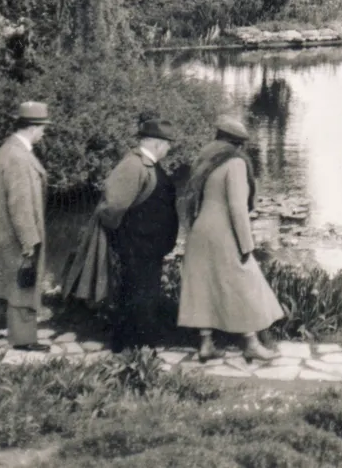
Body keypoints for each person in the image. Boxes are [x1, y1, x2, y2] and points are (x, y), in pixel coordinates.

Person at [178, 117, 283, 363]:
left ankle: (206, 344)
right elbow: (237, 207)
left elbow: (189, 200)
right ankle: (252, 344)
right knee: (244, 283)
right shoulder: (235, 163)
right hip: (223, 232)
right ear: (238, 144)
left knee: (204, 285)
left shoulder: (204, 161)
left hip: (200, 231)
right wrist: (246, 244)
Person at [0, 101, 51, 350]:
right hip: (15, 233)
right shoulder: (18, 156)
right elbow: (20, 203)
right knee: (23, 283)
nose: (44, 133)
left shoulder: (10, 149)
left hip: (1, 232)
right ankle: (24, 339)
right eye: (43, 127)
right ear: (32, 127)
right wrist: (29, 240)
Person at [96, 118, 180, 352]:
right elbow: (113, 206)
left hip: (148, 246)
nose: (169, 149)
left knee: (142, 293)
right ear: (156, 143)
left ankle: (135, 342)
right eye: (167, 144)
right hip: (137, 245)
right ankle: (134, 344)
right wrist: (123, 237)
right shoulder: (133, 165)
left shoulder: (147, 164)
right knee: (137, 293)